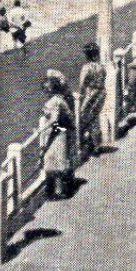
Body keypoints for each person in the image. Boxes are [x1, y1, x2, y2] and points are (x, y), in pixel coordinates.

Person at [38, 70, 77, 200]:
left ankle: (56, 192)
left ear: (49, 91)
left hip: (59, 131)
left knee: (51, 159)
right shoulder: (60, 99)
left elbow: (52, 123)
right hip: (66, 129)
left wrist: (43, 144)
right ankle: (62, 189)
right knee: (61, 160)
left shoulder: (53, 102)